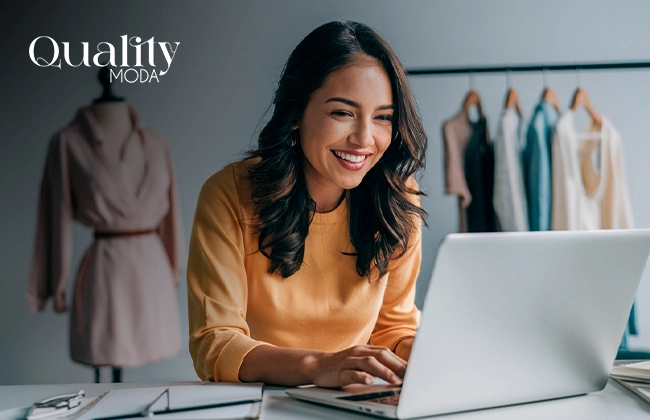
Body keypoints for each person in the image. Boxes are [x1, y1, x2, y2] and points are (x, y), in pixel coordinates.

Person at [187, 20, 428, 388]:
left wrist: (440, 353)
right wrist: (319, 366)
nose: (365, 139)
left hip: (349, 401)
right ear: (297, 113)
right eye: (342, 113)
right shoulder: (229, 195)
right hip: (257, 403)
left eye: (383, 117)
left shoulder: (397, 197)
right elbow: (215, 342)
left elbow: (392, 327)